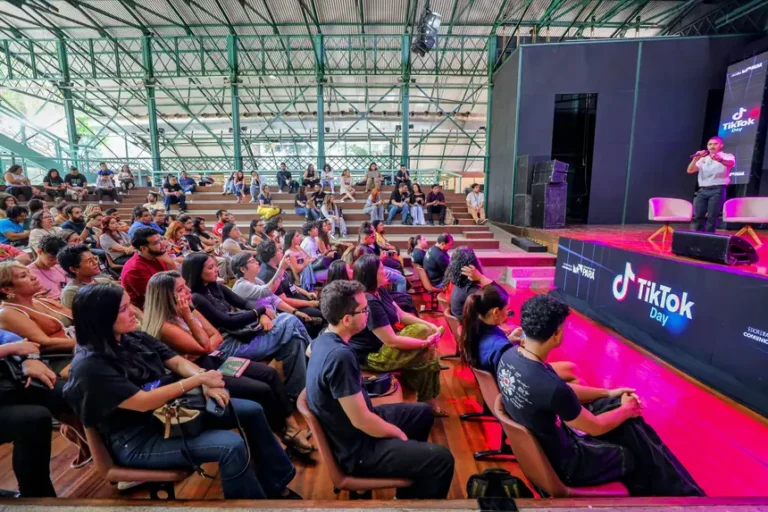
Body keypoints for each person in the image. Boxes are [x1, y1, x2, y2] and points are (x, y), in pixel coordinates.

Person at [63, 284, 301, 500]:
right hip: (139, 439)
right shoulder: (91, 366)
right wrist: (198, 381)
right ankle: (248, 504)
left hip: (170, 415)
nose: (133, 312)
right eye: (124, 309)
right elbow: (143, 402)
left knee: (252, 409)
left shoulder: (130, 336)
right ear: (102, 319)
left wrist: (203, 379)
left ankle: (276, 482)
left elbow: (175, 361)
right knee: (231, 445)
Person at [497, 294, 704, 497]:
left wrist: (609, 393)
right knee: (633, 454)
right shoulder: (550, 387)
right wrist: (627, 409)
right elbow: (596, 427)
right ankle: (680, 497)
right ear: (556, 335)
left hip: (544, 450)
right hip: (569, 465)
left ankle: (685, 493)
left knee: (618, 412)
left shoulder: (508, 356)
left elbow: (564, 393)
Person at [306, 280, 455, 499]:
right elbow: (362, 421)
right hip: (357, 449)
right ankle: (409, 498)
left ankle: (408, 491)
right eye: (364, 309)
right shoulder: (341, 356)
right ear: (347, 320)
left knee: (422, 412)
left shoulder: (321, 339)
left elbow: (310, 353)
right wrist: (398, 435)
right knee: (441, 459)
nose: (368, 313)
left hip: (352, 428)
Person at [143, 271, 314, 453]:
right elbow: (203, 347)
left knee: (269, 374)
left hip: (216, 359)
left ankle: (292, 427)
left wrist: (201, 334)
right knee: (260, 389)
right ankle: (279, 435)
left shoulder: (191, 308)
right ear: (167, 297)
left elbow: (215, 338)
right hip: (200, 373)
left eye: (185, 285)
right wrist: (188, 317)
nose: (187, 291)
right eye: (180, 289)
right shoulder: (166, 326)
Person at [182, 253, 312, 399]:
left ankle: (296, 393)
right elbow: (226, 321)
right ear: (197, 271)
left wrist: (260, 314)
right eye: (211, 267)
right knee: (289, 320)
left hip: (240, 334)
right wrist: (260, 311)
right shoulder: (196, 297)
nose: (216, 270)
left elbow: (244, 303)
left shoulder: (216, 287)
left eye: (215, 266)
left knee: (295, 341)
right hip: (227, 345)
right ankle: (315, 356)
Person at [351, 255, 446, 415]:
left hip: (385, 345)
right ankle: (428, 403)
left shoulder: (379, 290)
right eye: (381, 268)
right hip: (373, 356)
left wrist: (430, 325)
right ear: (372, 274)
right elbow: (392, 341)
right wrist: (425, 343)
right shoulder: (370, 302)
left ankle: (427, 402)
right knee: (424, 345)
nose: (386, 271)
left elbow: (400, 314)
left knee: (426, 350)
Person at [0, 261, 75, 365]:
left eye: (29, 272)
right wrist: (90, 343)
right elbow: (45, 344)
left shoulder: (40, 300)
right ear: (7, 289)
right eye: (23, 276)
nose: (33, 277)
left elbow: (77, 318)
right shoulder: (7, 313)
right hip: (55, 359)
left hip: (80, 347)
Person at [256, 240, 324, 338]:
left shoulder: (277, 267)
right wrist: (309, 303)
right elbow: (283, 300)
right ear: (272, 256)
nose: (282, 251)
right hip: (289, 307)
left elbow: (291, 284)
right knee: (319, 314)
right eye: (278, 250)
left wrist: (307, 293)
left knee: (321, 305)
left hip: (298, 298)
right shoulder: (268, 274)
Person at [687, 136, 735, 233]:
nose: (712, 146)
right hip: (702, 190)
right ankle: (698, 237)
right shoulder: (703, 159)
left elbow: (730, 163)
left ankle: (709, 238)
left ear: (721, 145)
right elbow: (690, 170)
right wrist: (695, 159)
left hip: (717, 189)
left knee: (712, 216)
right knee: (698, 215)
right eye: (710, 144)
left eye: (715, 144)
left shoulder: (727, 156)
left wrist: (720, 160)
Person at [120, 227, 175, 309]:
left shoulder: (158, 255)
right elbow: (155, 297)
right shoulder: (135, 269)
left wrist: (170, 263)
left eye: (161, 239)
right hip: (150, 309)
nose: (163, 244)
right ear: (143, 248)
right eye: (156, 243)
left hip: (166, 299)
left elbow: (176, 281)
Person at [58, 244, 114, 309]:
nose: (96, 262)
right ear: (74, 269)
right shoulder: (72, 292)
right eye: (90, 261)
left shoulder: (105, 281)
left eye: (95, 258)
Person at [445, 246, 492, 320]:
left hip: (464, 324)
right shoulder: (474, 292)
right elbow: (500, 297)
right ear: (473, 267)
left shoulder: (457, 284)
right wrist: (480, 277)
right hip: (472, 328)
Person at [26, 234, 68, 300]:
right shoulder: (28, 273)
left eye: (59, 258)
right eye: (52, 258)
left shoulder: (61, 267)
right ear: (40, 251)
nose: (56, 261)